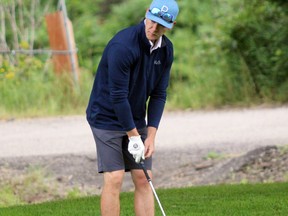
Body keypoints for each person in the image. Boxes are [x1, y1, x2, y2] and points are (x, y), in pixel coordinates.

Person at [86, 0, 179, 215]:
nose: (154, 29)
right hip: (106, 116)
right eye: (152, 21)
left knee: (143, 178)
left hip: (136, 119)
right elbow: (118, 96)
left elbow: (158, 94)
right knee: (115, 176)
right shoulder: (123, 45)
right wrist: (134, 136)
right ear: (147, 13)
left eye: (161, 26)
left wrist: (150, 136)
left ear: (170, 26)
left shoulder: (166, 50)